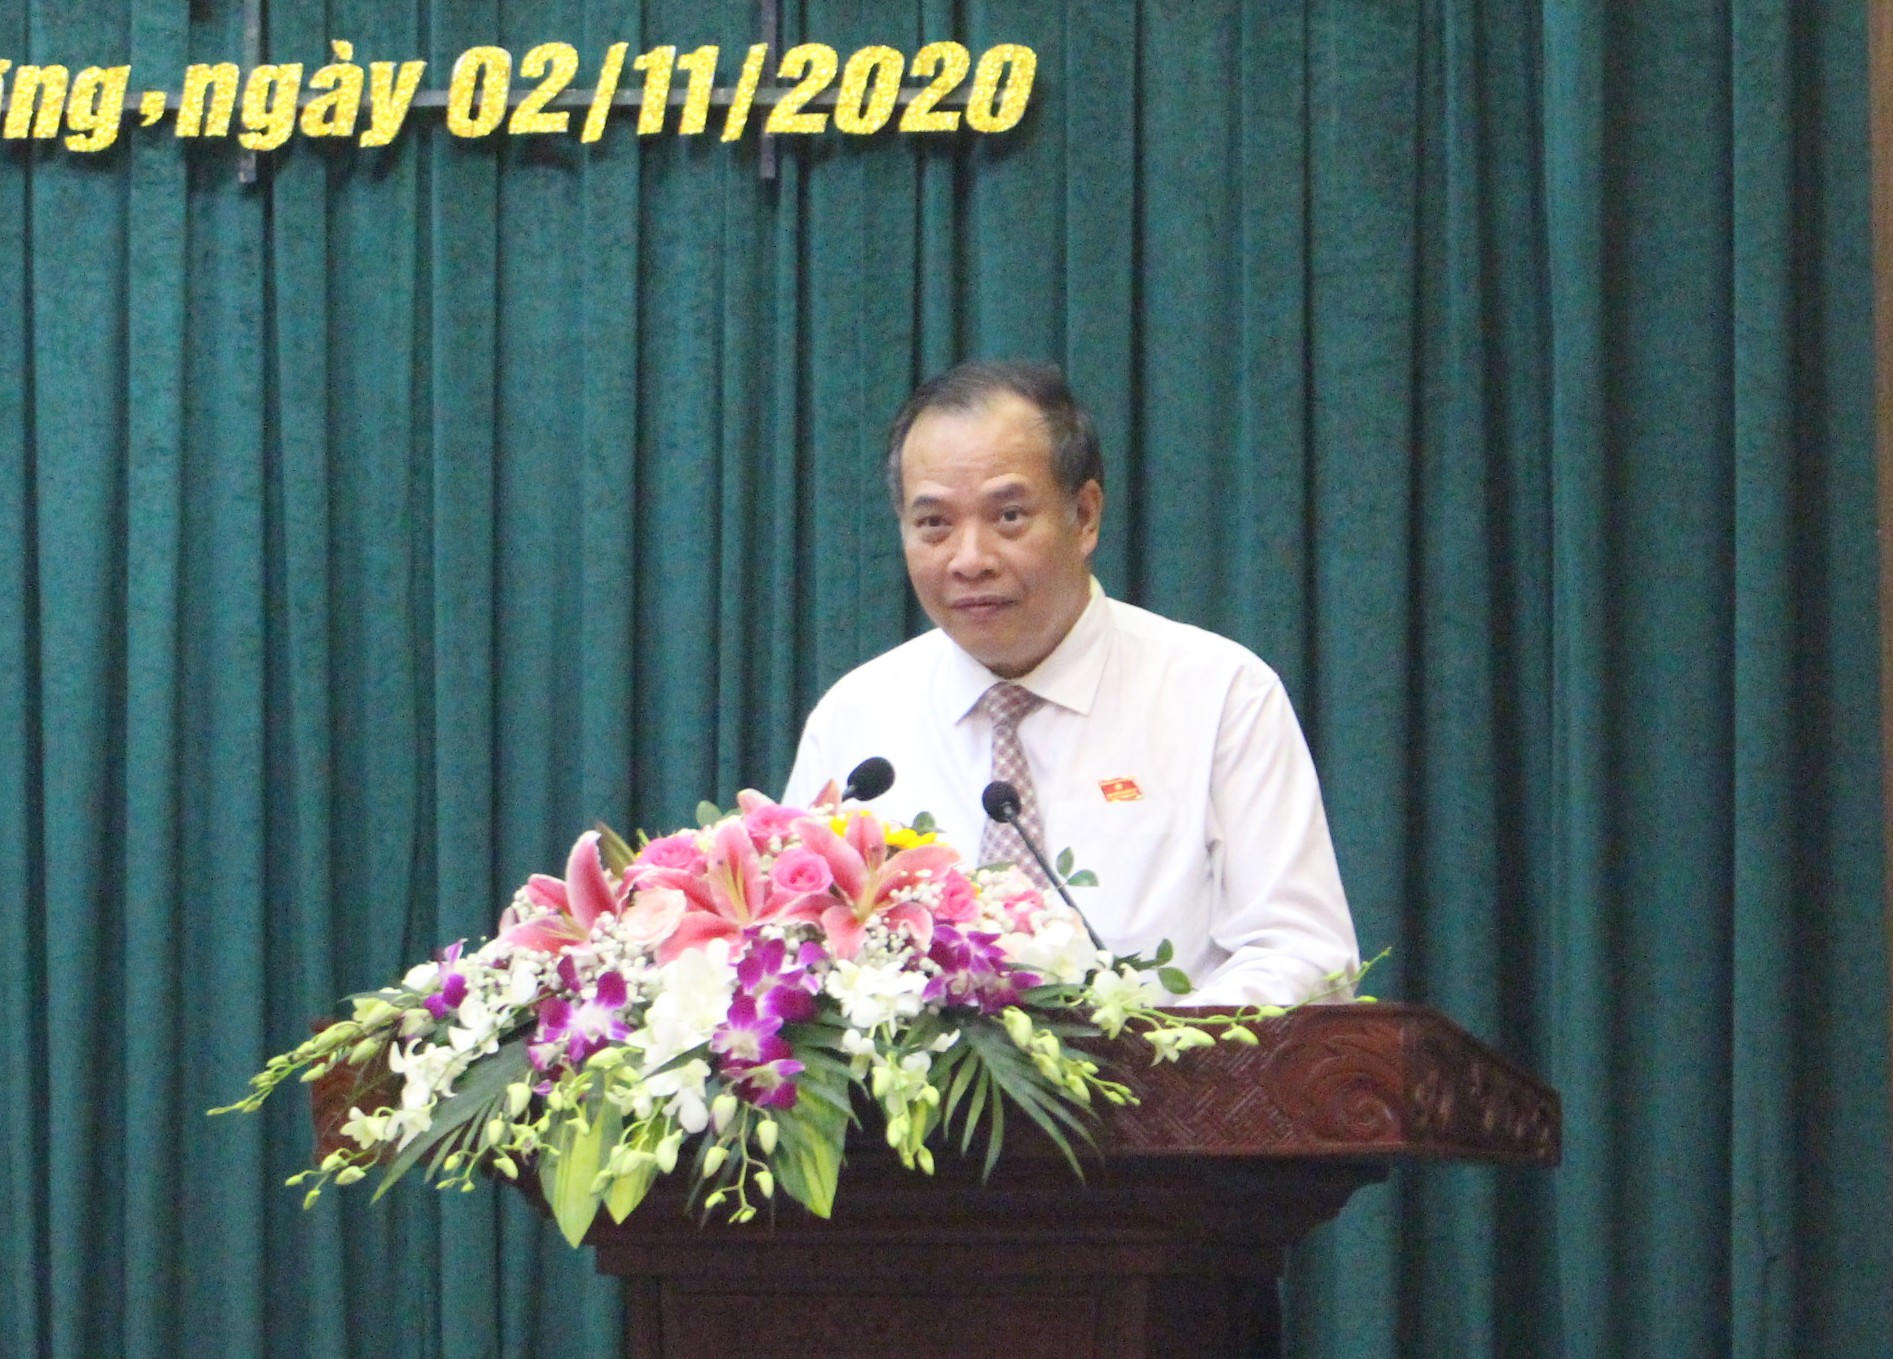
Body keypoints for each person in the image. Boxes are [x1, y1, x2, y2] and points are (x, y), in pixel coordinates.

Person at [781, 360, 1359, 1005]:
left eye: (1008, 516)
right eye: (934, 524)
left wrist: (1156, 1053)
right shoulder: (856, 718)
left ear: (1084, 516)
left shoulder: (1221, 695)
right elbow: (792, 955)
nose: (970, 560)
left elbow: (1302, 951)